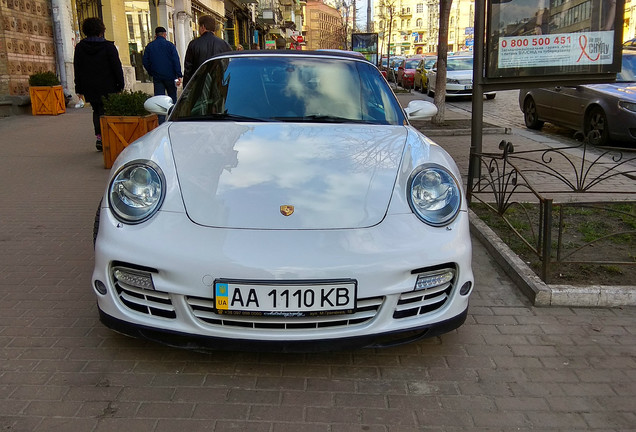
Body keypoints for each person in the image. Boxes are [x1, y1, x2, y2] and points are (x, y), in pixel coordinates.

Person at [73, 17, 125, 152]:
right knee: (108, 111)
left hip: (90, 86)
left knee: (96, 110)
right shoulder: (108, 47)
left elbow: (77, 68)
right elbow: (116, 67)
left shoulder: (80, 48)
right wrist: (121, 84)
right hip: (109, 85)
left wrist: (79, 88)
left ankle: (99, 137)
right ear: (101, 30)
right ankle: (109, 136)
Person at [142, 26, 183, 123]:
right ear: (165, 35)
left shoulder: (149, 46)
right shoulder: (170, 45)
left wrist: (151, 72)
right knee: (172, 97)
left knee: (159, 100)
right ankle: (173, 119)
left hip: (157, 77)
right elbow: (175, 60)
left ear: (155, 35)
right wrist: (179, 75)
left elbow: (145, 61)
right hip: (170, 76)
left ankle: (161, 122)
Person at [183, 15, 232, 87]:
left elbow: (188, 69)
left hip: (199, 86)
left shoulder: (194, 44)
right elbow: (228, 66)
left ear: (203, 27)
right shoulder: (224, 45)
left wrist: (186, 88)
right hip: (218, 86)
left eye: (199, 27)